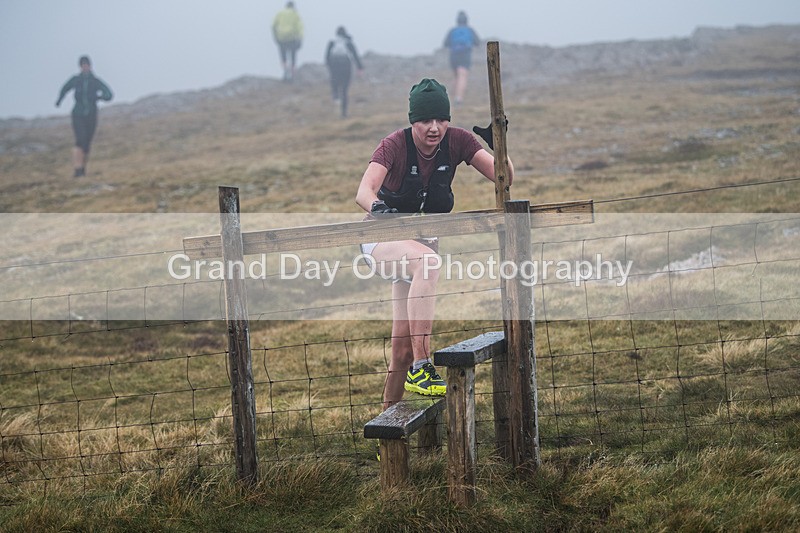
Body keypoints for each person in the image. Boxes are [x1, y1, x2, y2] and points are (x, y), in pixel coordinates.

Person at [355, 78, 513, 409]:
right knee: (427, 262)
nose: (434, 128)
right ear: (413, 121)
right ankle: (422, 367)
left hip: (421, 246)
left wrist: (498, 146)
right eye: (426, 120)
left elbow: (505, 177)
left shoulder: (458, 141)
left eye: (441, 119)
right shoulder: (393, 146)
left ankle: (388, 427)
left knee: (400, 348)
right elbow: (363, 192)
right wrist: (380, 209)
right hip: (383, 239)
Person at [55, 55, 113, 178]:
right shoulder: (76, 80)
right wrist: (59, 100)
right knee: (80, 140)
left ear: (90, 66)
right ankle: (78, 170)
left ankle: (82, 169)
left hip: (91, 115)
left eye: (86, 64)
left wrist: (99, 97)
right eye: (83, 65)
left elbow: (109, 94)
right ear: (80, 66)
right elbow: (65, 89)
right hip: (78, 114)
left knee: (87, 143)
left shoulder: (95, 81)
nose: (85, 67)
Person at [442, 11, 480, 105]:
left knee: (456, 76)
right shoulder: (470, 30)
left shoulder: (452, 30)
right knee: (462, 75)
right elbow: (477, 42)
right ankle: (459, 99)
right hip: (465, 55)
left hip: (454, 55)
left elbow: (445, 43)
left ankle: (453, 98)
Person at [325, 26, 364, 118]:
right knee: (344, 90)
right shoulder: (348, 42)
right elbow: (355, 55)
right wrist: (360, 68)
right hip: (346, 66)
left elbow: (326, 57)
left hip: (334, 67)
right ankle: (343, 113)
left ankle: (336, 99)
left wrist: (330, 69)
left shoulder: (332, 43)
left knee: (335, 87)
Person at [272, 1, 304, 81]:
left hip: (281, 38)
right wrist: (300, 38)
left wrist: (275, 36)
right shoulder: (295, 14)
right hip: (292, 38)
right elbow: (300, 27)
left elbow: (273, 25)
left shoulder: (280, 13)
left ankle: (285, 71)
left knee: (283, 56)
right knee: (293, 55)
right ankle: (293, 74)